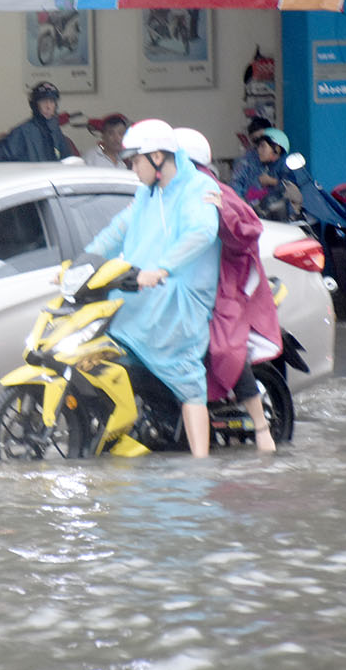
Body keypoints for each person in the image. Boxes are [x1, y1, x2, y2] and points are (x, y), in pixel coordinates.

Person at [88, 119, 221, 457]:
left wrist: (161, 269)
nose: (132, 168)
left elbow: (201, 233)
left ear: (158, 157)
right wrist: (84, 260)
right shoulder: (148, 193)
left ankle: (200, 464)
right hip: (139, 293)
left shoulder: (196, 190)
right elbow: (118, 228)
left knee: (188, 382)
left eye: (135, 161)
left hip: (180, 299)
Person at [175, 128, 280, 454]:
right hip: (185, 284)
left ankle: (261, 428)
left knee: (224, 348)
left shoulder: (214, 192)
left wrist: (222, 211)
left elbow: (247, 231)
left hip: (228, 285)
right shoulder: (165, 196)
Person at [0, 82, 78, 162]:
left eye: (52, 102)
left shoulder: (56, 131)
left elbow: (68, 162)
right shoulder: (22, 132)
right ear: (35, 105)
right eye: (43, 102)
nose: (48, 106)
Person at [234, 127, 291, 213]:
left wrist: (273, 182)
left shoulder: (285, 164)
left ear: (277, 149)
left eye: (263, 146)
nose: (259, 150)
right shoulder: (250, 162)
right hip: (252, 213)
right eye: (259, 146)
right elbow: (236, 184)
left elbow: (293, 188)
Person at [228, 117, 275, 199]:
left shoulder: (281, 159)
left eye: (264, 139)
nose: (260, 144)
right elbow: (235, 186)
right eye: (256, 140)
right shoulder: (245, 161)